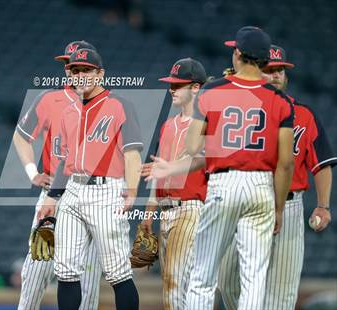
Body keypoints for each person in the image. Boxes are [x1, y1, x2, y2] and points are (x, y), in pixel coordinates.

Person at [218, 44, 336, 310]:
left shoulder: (304, 114)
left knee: (281, 293)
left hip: (290, 204)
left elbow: (321, 165)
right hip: (245, 199)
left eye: (281, 70)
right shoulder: (239, 112)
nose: (277, 75)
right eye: (270, 70)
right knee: (227, 281)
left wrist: (323, 205)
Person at [185, 26, 295, 309]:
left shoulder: (212, 90)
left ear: (237, 54)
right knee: (254, 278)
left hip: (224, 182)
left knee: (202, 275)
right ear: (264, 61)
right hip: (262, 186)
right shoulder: (280, 100)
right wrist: (279, 208)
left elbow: (192, 146)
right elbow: (285, 164)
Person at [37, 48, 143, 310]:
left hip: (107, 190)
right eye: (75, 70)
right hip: (72, 190)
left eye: (86, 70)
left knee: (118, 272)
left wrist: (131, 190)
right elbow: (64, 160)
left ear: (100, 73)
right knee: (66, 270)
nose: (80, 75)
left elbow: (132, 154)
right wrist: (52, 197)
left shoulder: (119, 105)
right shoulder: (68, 111)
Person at [13, 41, 101, 310]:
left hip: (93, 192)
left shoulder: (105, 101)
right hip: (54, 192)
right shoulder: (50, 99)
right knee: (37, 269)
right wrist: (32, 172)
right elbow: (21, 136)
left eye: (78, 66)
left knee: (88, 276)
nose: (70, 70)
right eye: (68, 65)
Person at [140, 58, 208, 310]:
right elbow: (157, 174)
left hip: (190, 208)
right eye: (171, 84)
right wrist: (148, 216)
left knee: (178, 282)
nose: (172, 89)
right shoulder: (168, 126)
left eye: (179, 85)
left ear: (196, 88)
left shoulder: (206, 125)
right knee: (171, 285)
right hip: (167, 211)